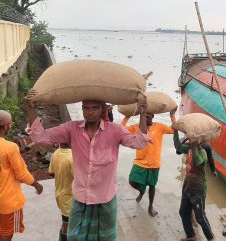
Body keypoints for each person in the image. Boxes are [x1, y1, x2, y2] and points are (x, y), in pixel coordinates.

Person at [25, 90, 152, 241]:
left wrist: (143, 114)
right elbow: (40, 136)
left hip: (105, 198)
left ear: (102, 110)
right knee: (75, 237)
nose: (89, 112)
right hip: (80, 198)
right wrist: (31, 108)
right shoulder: (72, 129)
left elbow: (139, 142)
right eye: (86, 108)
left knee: (106, 237)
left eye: (94, 108)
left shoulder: (115, 131)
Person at [120, 110, 176, 217]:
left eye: (148, 117)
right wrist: (126, 117)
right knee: (132, 180)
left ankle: (150, 206)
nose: (146, 119)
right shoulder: (137, 127)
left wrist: (172, 116)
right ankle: (141, 191)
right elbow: (121, 129)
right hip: (140, 161)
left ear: (153, 116)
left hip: (154, 163)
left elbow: (173, 130)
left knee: (152, 185)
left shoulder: (160, 127)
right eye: (144, 117)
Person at [0, 110, 43, 241]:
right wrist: (36, 185)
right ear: (7, 125)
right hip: (8, 202)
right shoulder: (10, 147)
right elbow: (21, 174)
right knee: (6, 234)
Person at [174, 131, 214, 241]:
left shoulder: (203, 153)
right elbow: (177, 146)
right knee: (183, 212)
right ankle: (191, 235)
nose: (191, 139)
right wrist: (175, 131)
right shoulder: (189, 149)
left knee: (200, 218)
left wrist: (195, 146)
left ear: (200, 141)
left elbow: (196, 161)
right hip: (188, 187)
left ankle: (211, 238)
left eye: (194, 138)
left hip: (198, 190)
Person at [48, 143, 74, 241]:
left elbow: (51, 172)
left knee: (66, 222)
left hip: (60, 196)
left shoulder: (55, 153)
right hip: (69, 198)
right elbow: (79, 179)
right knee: (67, 225)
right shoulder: (72, 157)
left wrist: (61, 174)